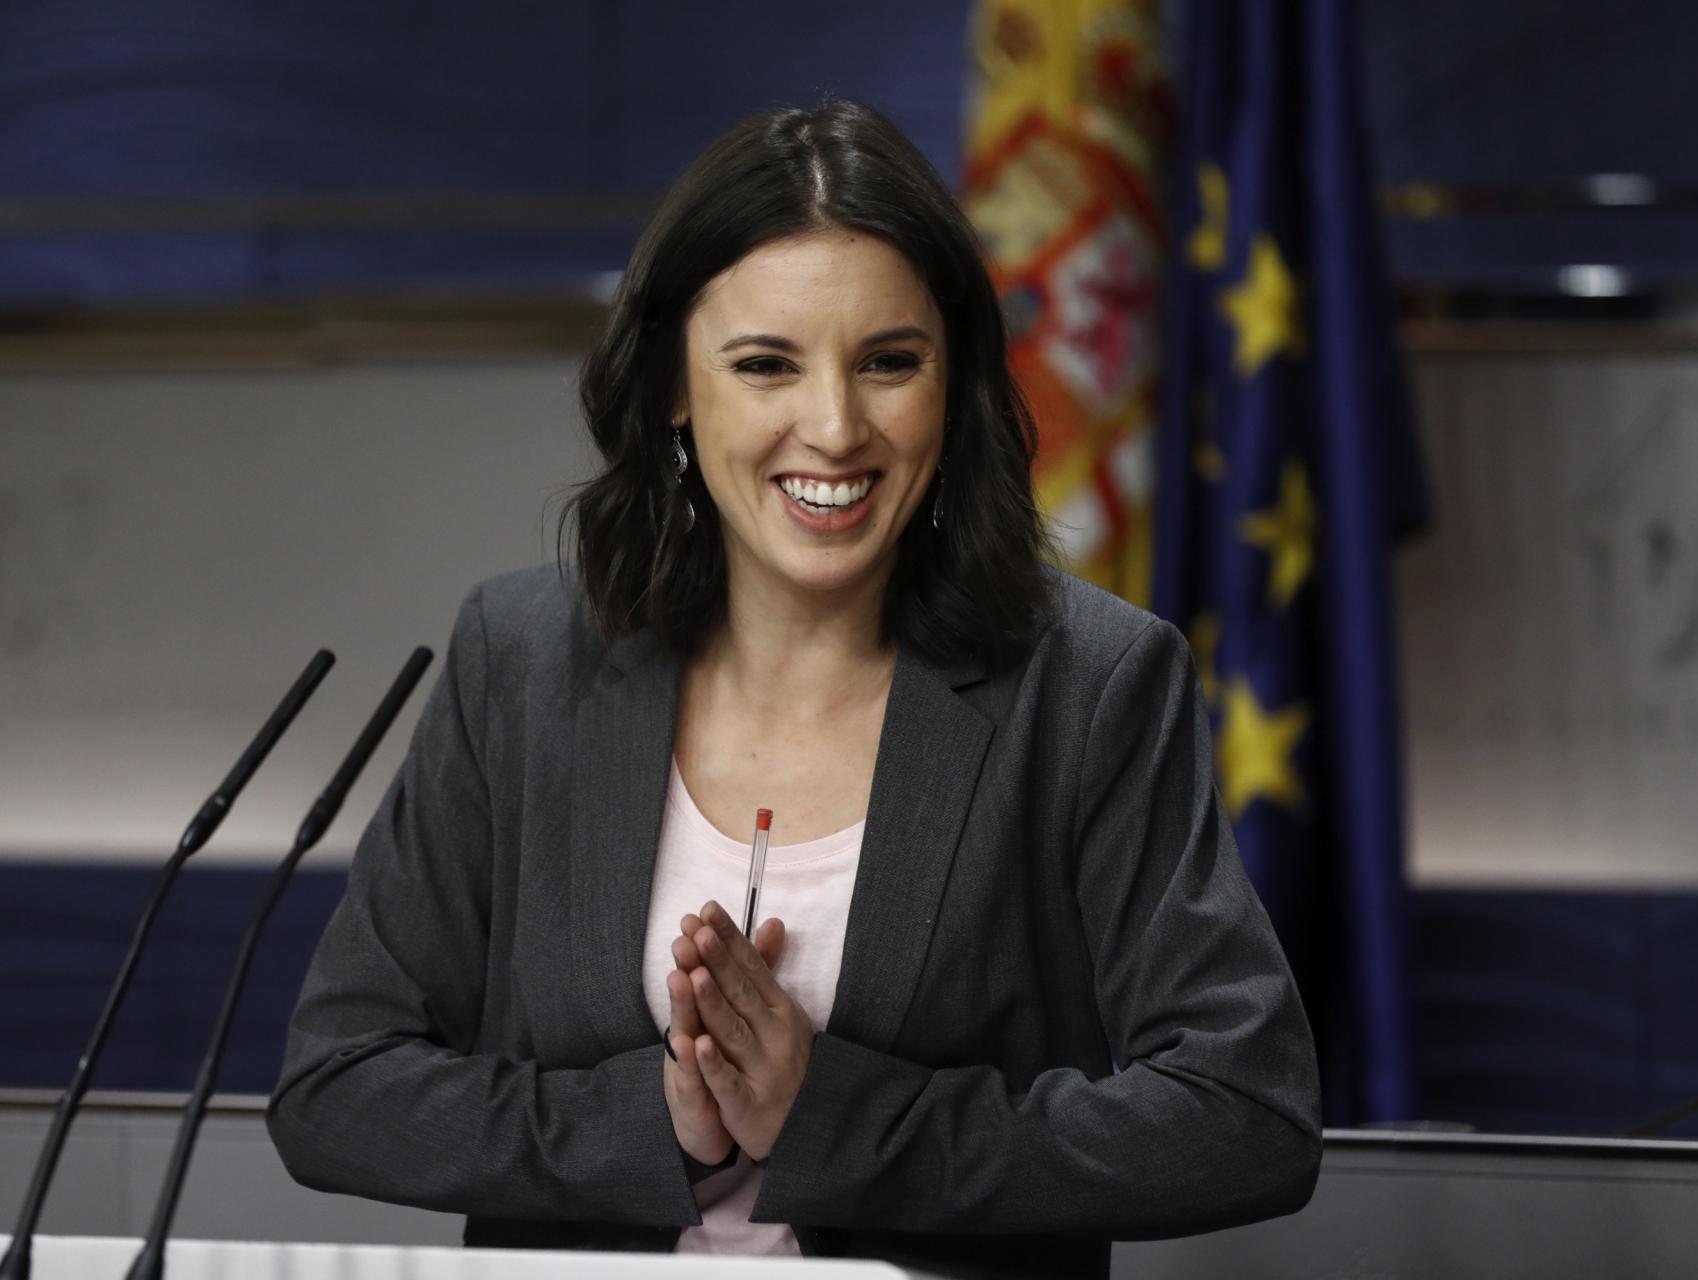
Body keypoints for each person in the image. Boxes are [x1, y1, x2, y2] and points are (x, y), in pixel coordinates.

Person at [267, 98, 1321, 1279]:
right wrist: (652, 1122)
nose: (833, 426)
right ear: (673, 384)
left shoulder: (1090, 683)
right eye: (765, 364)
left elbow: (1247, 1113)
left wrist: (838, 1119)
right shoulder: (518, 660)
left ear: (954, 381)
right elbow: (335, 1085)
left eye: (888, 362)